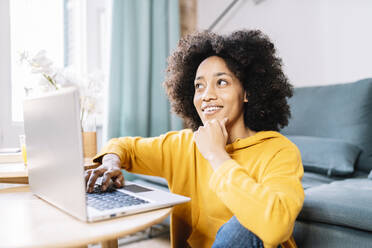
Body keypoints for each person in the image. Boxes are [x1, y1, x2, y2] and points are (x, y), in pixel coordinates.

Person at [86, 30, 304, 248]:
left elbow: (275, 227)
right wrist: (111, 162)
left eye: (221, 82)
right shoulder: (183, 145)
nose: (206, 95)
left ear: (247, 92)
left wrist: (216, 154)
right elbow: (124, 146)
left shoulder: (279, 151)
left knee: (248, 221)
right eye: (199, 86)